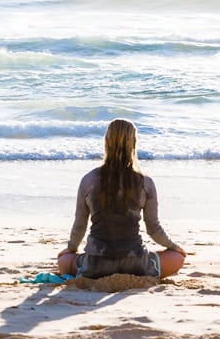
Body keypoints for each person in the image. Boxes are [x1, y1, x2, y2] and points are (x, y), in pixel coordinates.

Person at [57, 119, 186, 279]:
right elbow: (153, 229)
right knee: (177, 257)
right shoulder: (145, 182)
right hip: (135, 263)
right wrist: (174, 247)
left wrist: (70, 249)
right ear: (134, 143)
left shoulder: (89, 180)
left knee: (63, 259)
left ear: (107, 142)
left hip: (96, 264)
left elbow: (80, 226)